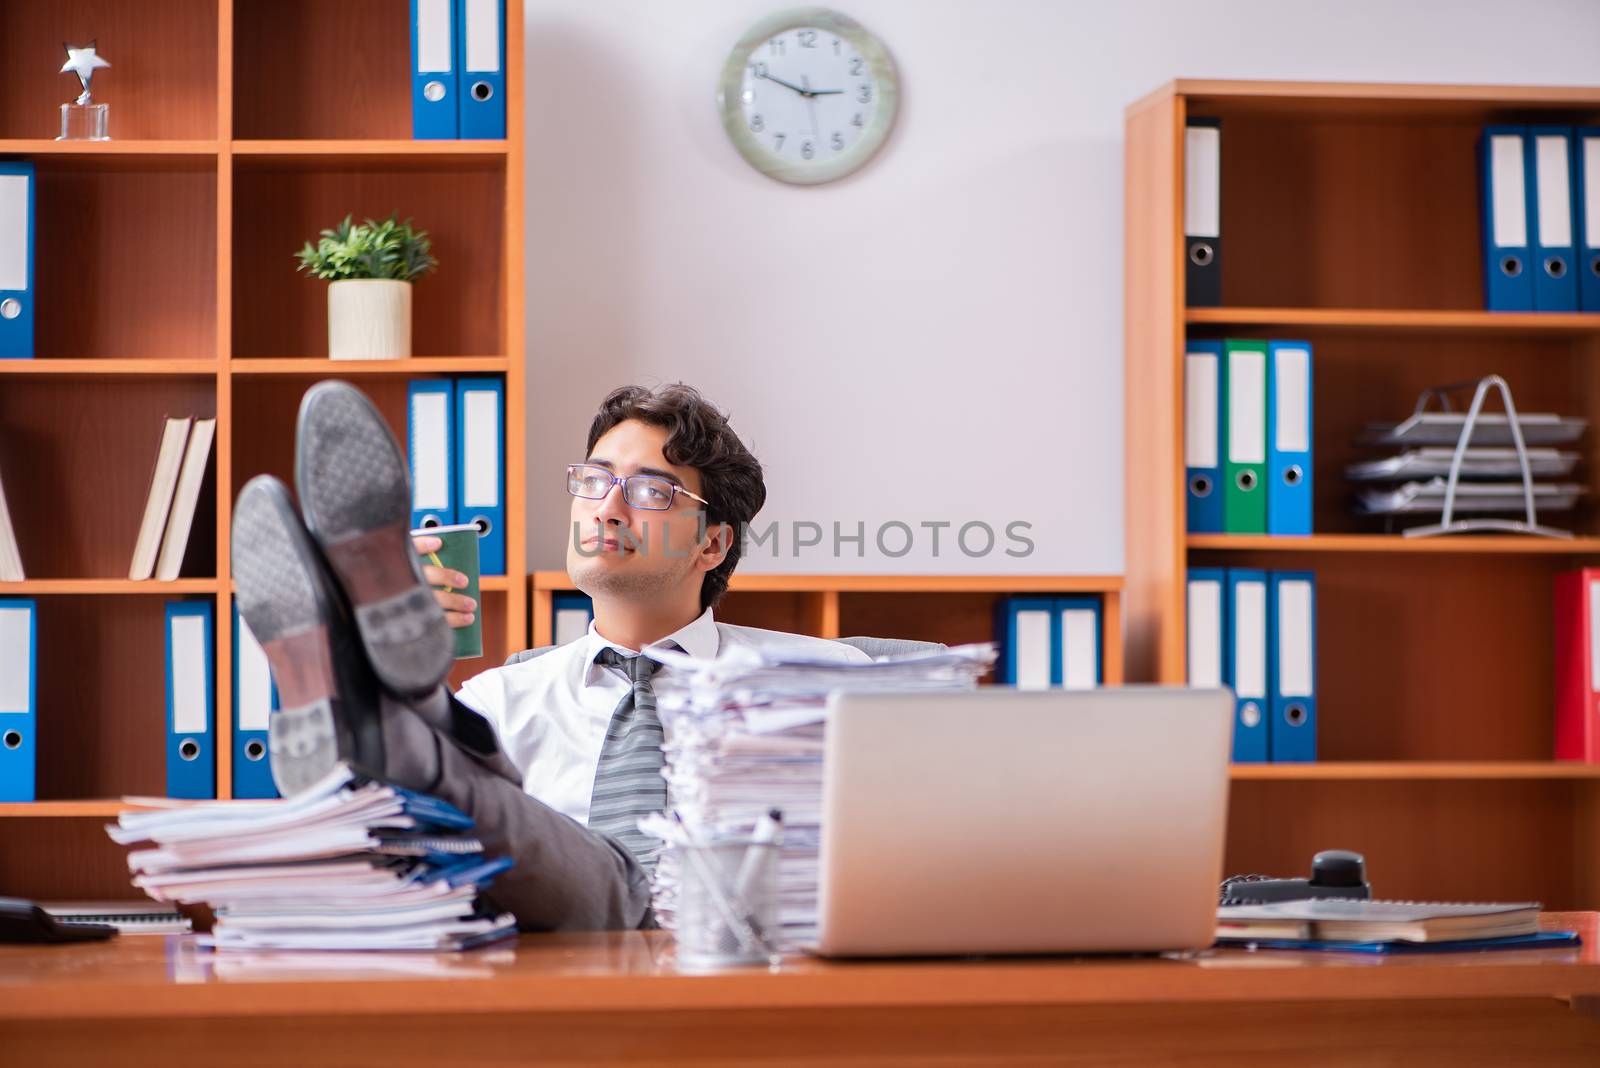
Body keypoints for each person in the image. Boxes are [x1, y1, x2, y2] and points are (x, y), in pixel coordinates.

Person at [232, 380, 866, 932]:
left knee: (593, 868)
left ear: (713, 544)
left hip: (741, 952)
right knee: (466, 801)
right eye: (594, 481)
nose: (607, 509)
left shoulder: (820, 683)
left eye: (650, 492)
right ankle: (391, 707)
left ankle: (389, 709)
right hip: (555, 967)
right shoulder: (500, 699)